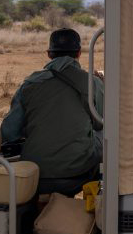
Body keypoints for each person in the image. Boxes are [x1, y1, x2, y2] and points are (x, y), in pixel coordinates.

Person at [0, 28, 104, 196]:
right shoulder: (92, 83)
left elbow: (9, 132)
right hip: (78, 173)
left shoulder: (29, 84)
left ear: (49, 54)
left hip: (37, 174)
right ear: (78, 53)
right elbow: (100, 122)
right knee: (103, 134)